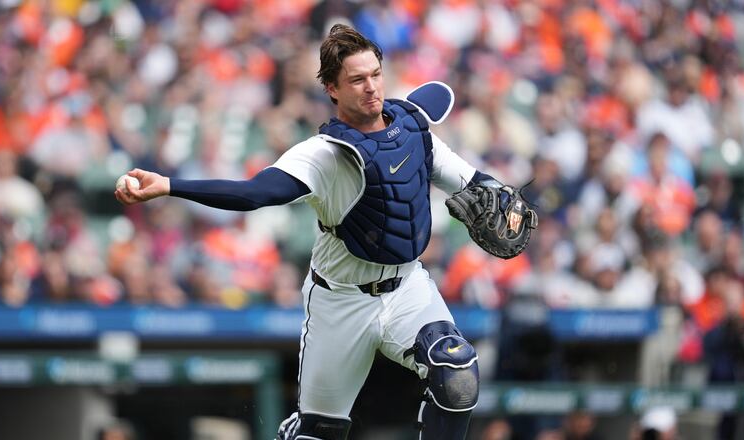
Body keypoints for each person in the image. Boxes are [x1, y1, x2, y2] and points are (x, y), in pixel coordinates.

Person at [116, 24, 507, 439]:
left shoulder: (413, 130)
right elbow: (255, 193)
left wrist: (502, 195)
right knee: (320, 432)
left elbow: (472, 180)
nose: (371, 87)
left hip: (408, 287)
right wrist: (171, 186)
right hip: (339, 300)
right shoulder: (323, 155)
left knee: (457, 371)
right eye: (357, 80)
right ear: (332, 88)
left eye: (376, 74)